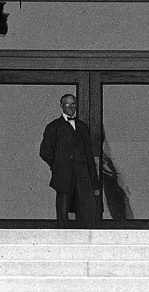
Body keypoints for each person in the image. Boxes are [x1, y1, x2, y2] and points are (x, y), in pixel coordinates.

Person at [39, 92, 104, 226]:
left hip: (83, 174)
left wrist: (92, 176)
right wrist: (58, 165)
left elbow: (88, 153)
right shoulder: (53, 127)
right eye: (67, 104)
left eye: (73, 104)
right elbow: (45, 152)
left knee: (87, 207)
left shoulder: (82, 126)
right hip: (63, 173)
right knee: (63, 208)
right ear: (61, 106)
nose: (70, 106)